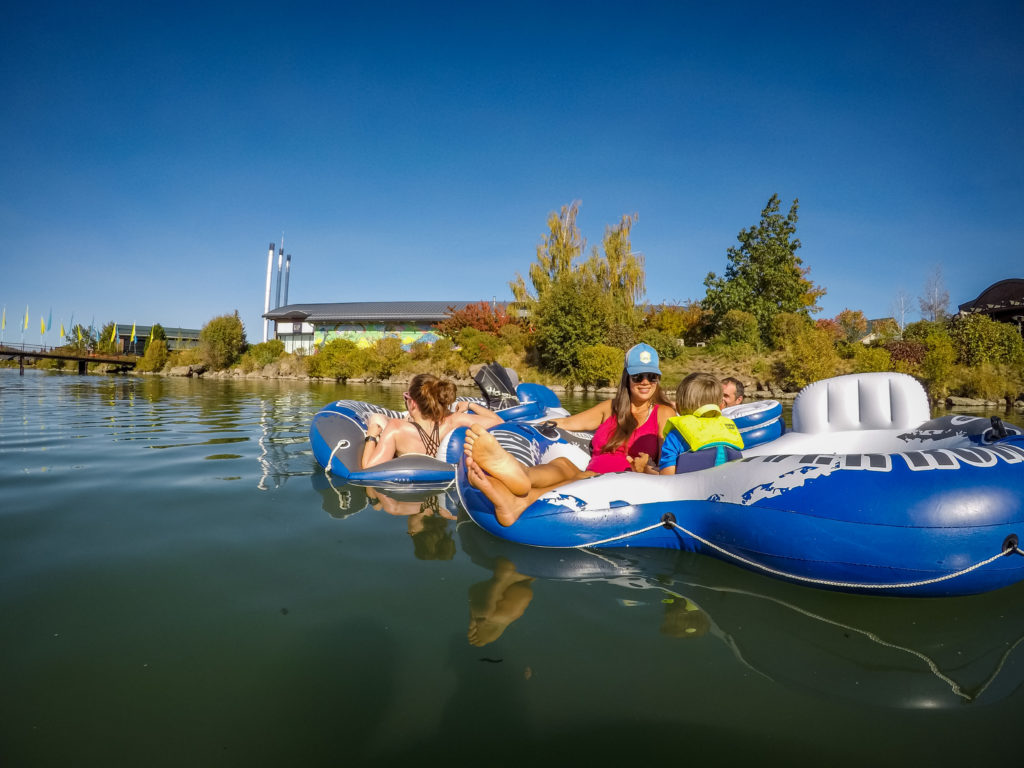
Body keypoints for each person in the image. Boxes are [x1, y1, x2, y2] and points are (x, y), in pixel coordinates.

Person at [464, 343, 676, 526]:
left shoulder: (663, 413)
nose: (645, 382)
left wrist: (647, 471)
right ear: (627, 377)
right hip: (591, 471)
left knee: (585, 477)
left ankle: (521, 501)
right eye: (638, 376)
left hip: (625, 481)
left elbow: (670, 464)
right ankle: (519, 473)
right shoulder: (610, 408)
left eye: (652, 377)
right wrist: (516, 424)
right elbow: (566, 422)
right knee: (564, 463)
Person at [361, 373, 502, 468]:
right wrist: (471, 405)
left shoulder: (396, 428)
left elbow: (368, 467)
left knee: (377, 418)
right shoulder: (455, 420)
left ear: (413, 403)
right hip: (444, 484)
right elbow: (498, 421)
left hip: (408, 497)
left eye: (406, 397)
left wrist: (371, 436)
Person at [659, 372, 744, 475]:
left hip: (691, 489)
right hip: (727, 488)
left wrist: (647, 470)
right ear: (721, 405)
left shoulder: (676, 436)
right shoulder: (729, 429)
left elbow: (666, 479)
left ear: (678, 407)